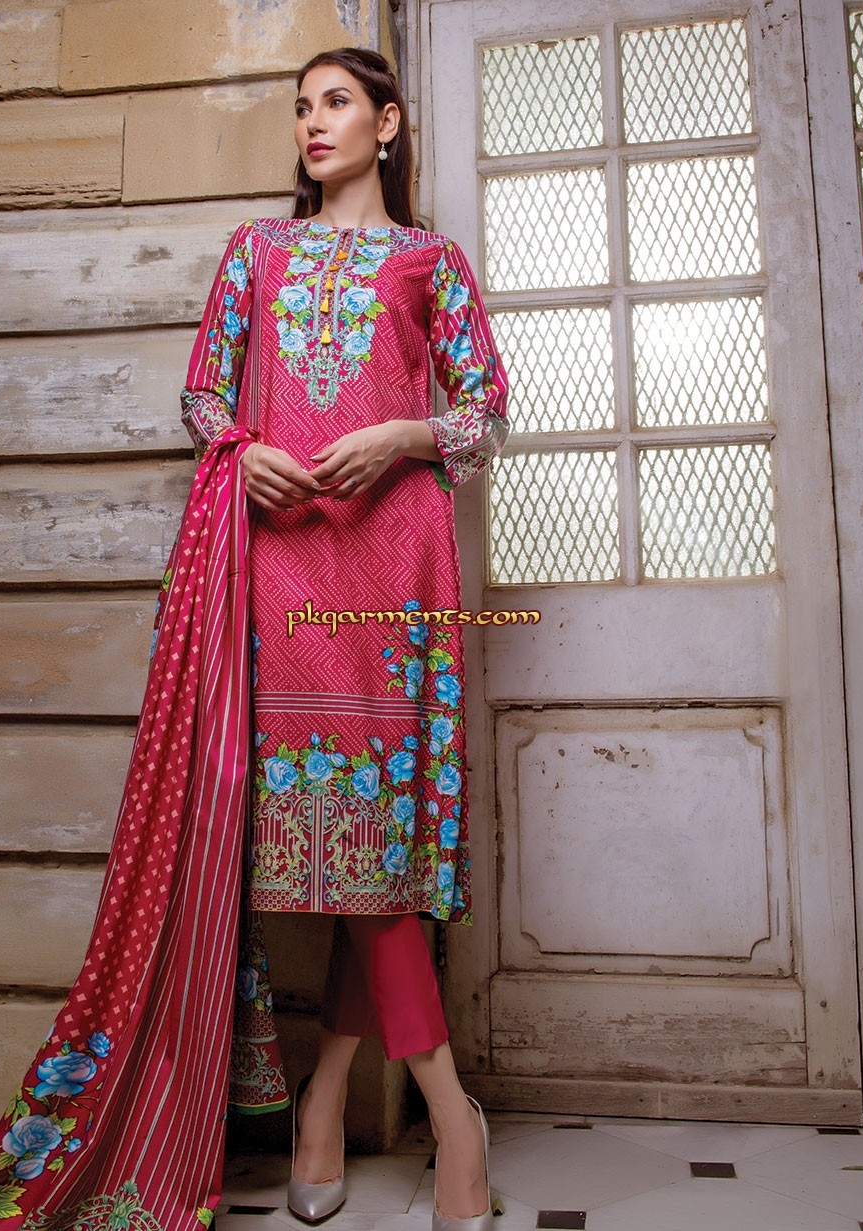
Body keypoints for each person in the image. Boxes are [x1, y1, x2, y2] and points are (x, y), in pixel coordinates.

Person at [178, 45, 509, 1230]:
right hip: (278, 564)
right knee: (341, 852)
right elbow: (204, 394)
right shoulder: (256, 253)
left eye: (335, 103)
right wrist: (241, 451)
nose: (313, 124)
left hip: (392, 570)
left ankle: (351, 1105)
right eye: (300, 108)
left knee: (376, 850)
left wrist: (407, 437)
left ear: (388, 120)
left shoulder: (430, 261)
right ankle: (438, 1111)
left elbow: (483, 409)